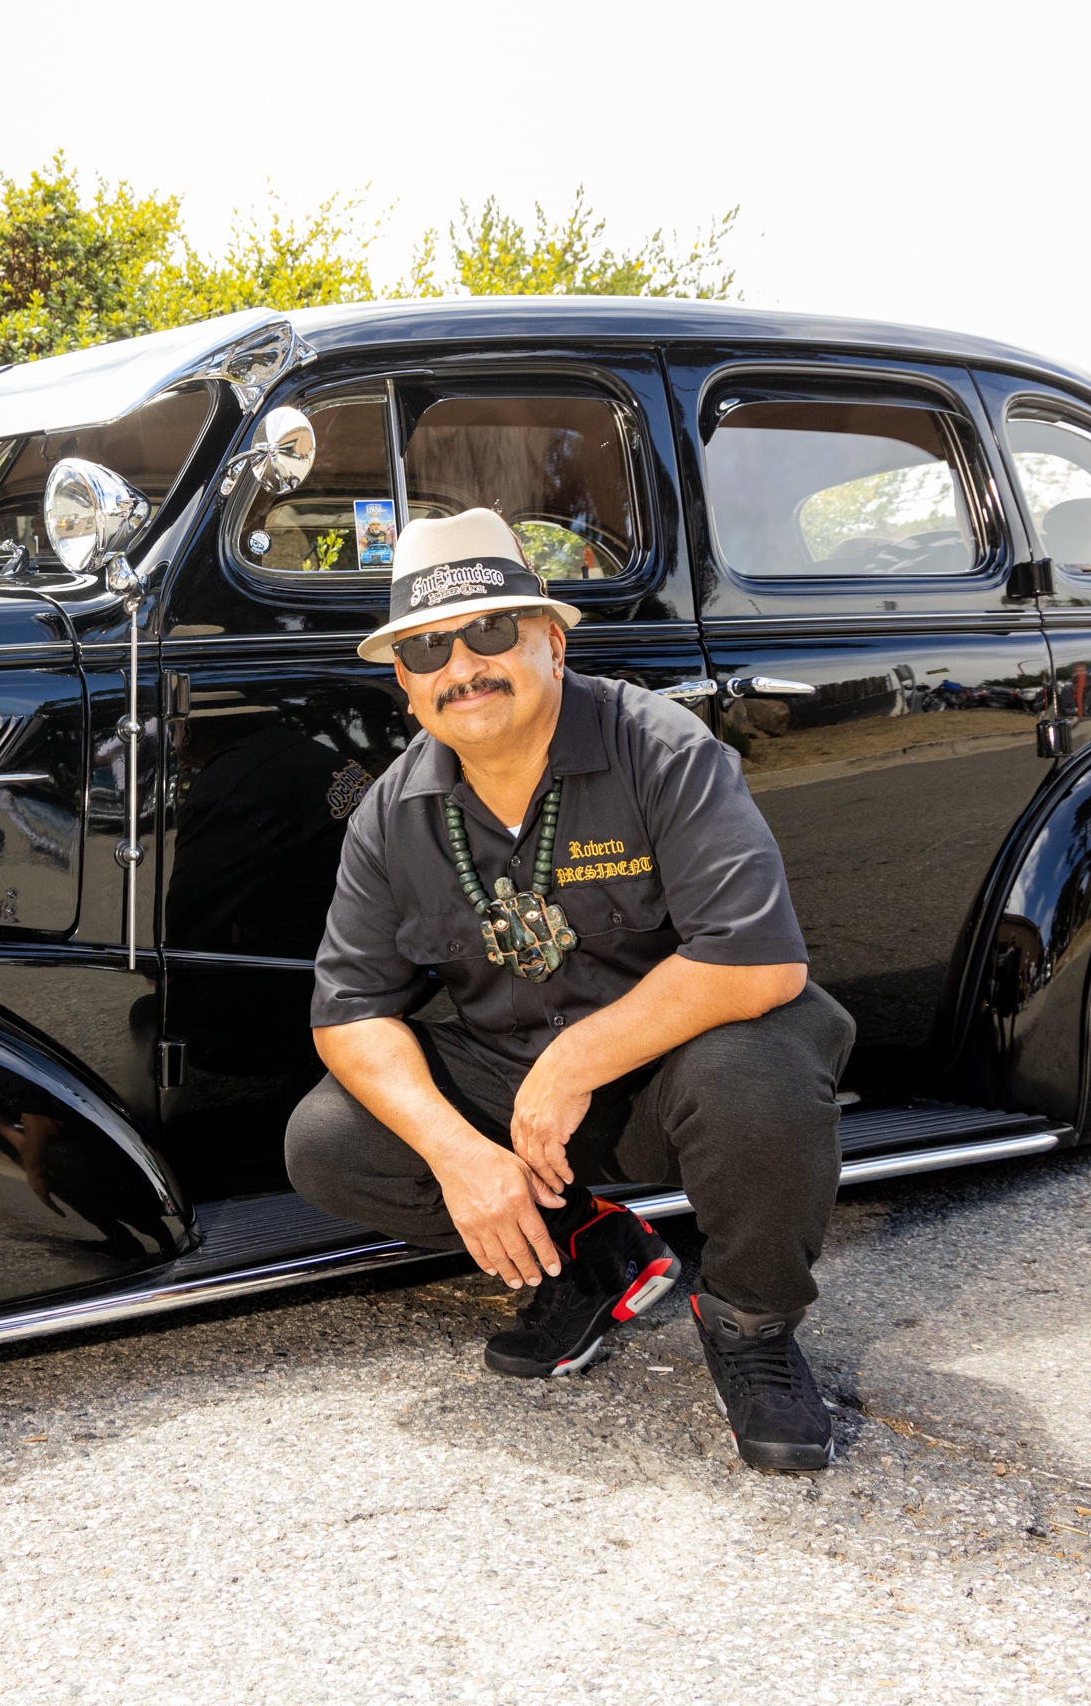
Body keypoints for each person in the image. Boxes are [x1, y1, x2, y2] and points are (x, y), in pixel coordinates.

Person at [287, 508, 857, 1471]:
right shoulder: (389, 814)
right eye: (427, 646)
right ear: (405, 681)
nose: (462, 663)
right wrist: (460, 1154)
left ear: (551, 638)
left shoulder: (657, 746)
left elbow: (759, 958)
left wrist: (573, 1059)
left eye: (490, 629)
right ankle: (594, 1254)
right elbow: (348, 1013)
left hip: (681, 1076)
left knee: (756, 1081)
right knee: (332, 1139)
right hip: (527, 1099)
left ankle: (753, 1330)